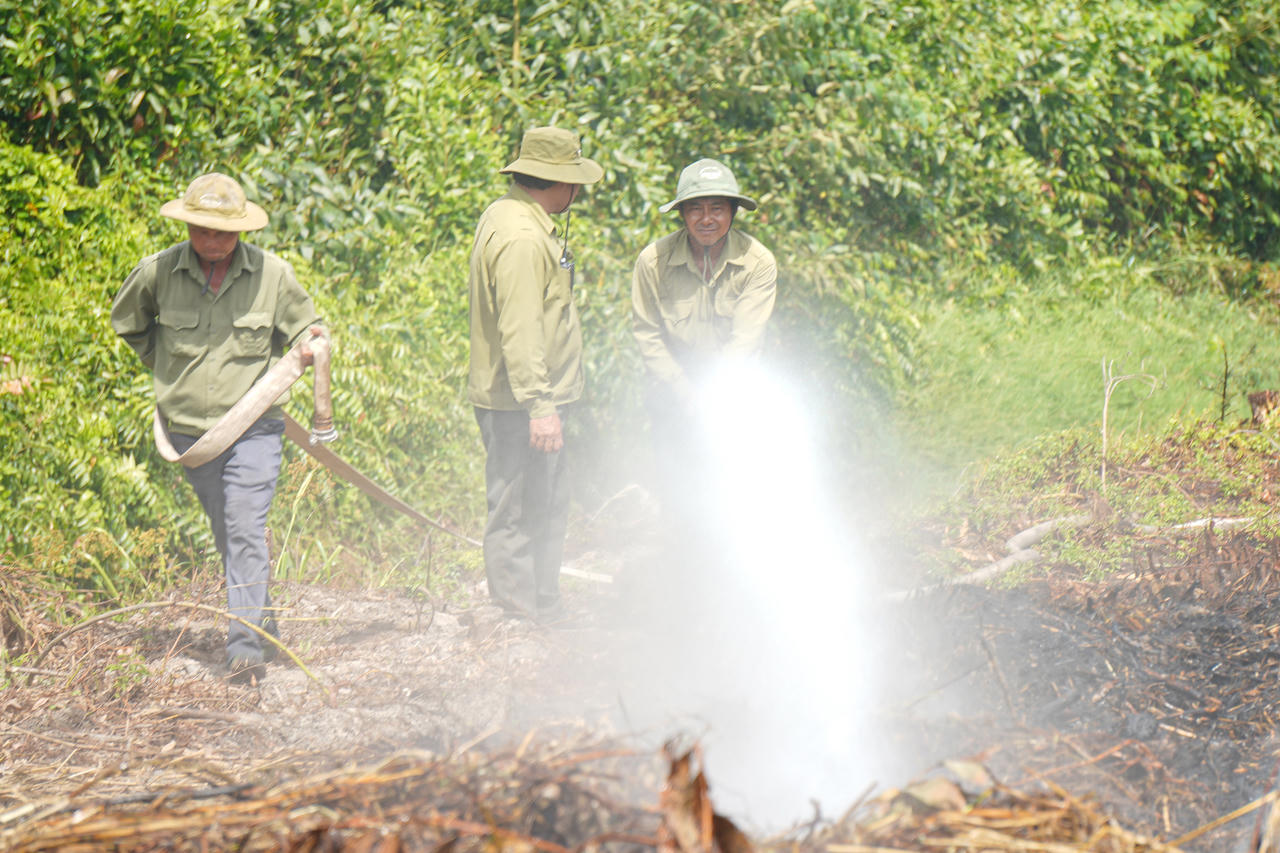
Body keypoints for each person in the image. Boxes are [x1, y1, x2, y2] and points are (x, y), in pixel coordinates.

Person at [111, 172, 325, 685]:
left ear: (241, 231)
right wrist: (167, 368)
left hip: (254, 427)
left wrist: (310, 343)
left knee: (246, 524)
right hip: (191, 438)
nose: (213, 241)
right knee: (228, 531)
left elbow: (306, 326)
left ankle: (245, 646)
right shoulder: (157, 273)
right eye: (203, 230)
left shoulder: (272, 275)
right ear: (188, 226)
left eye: (224, 232)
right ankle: (263, 620)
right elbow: (129, 323)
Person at [468, 126, 603, 623]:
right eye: (575, 183)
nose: (578, 194)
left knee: (543, 504)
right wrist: (540, 408)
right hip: (519, 403)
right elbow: (521, 331)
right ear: (555, 181)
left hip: (523, 398)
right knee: (520, 509)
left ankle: (541, 606)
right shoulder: (524, 238)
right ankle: (520, 615)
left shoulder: (509, 214)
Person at [630, 158, 777, 523]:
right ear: (681, 214)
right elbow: (647, 335)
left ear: (732, 213)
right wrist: (685, 392)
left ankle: (735, 571)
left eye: (717, 209)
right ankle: (681, 567)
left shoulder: (757, 262)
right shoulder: (653, 262)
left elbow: (745, 341)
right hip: (672, 390)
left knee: (735, 494)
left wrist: (711, 397)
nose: (706, 219)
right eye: (695, 209)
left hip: (733, 390)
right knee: (679, 495)